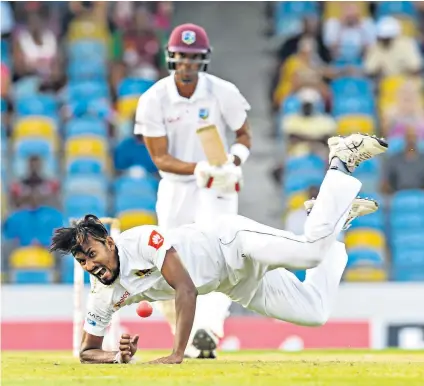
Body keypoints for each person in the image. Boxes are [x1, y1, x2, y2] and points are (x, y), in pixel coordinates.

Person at [50, 133, 388, 365]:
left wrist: (176, 353)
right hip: (236, 284)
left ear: (109, 242)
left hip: (232, 243)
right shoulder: (102, 294)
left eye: (92, 255)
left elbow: (185, 289)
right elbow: (86, 352)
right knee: (315, 313)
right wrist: (116, 356)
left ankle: (341, 159)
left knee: (311, 253)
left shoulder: (141, 240)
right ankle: (335, 214)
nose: (90, 265)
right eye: (82, 262)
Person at [133, 23, 252, 358]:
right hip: (177, 187)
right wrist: (200, 168)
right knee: (171, 262)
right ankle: (186, 336)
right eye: (181, 57)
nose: (187, 64)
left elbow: (244, 136)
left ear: (204, 59)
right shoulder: (154, 98)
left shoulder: (222, 92)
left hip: (219, 187)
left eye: (193, 57)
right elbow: (160, 158)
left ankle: (209, 330)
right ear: (171, 57)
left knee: (220, 257)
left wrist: (233, 161)